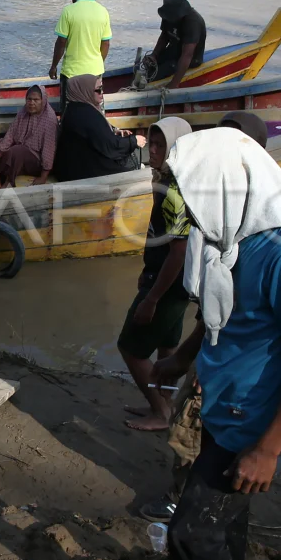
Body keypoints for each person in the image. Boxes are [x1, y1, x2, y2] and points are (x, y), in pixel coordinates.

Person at [152, 127, 281, 560]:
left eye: (191, 191)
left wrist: (268, 449)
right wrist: (182, 359)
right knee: (225, 526)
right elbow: (220, 316)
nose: (185, 204)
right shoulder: (230, 239)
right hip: (222, 406)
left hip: (251, 422)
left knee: (191, 534)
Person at [116, 117, 193, 432]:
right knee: (167, 347)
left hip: (168, 285)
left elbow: (179, 252)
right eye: (153, 143)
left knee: (131, 348)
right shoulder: (171, 181)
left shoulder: (174, 192)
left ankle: (161, 412)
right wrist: (147, 271)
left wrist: (152, 298)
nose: (154, 150)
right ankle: (165, 404)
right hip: (174, 282)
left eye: (163, 145)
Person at [52, 74, 144, 182]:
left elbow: (98, 136)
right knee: (130, 168)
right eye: (98, 90)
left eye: (102, 88)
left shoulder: (73, 109)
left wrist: (115, 131)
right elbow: (110, 145)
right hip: (83, 173)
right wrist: (134, 141)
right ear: (85, 91)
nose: (102, 93)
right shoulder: (87, 115)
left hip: (70, 168)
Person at [0, 84, 56, 189]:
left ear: (43, 101)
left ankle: (9, 182)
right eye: (29, 99)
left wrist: (43, 177)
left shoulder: (49, 120)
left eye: (36, 100)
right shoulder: (23, 112)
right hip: (20, 150)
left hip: (37, 161)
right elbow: (10, 135)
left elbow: (48, 152)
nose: (31, 103)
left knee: (17, 150)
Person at [49, 0, 111, 87]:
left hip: (72, 74)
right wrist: (97, 63)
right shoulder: (103, 12)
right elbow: (106, 44)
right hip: (95, 74)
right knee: (93, 100)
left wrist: (53, 66)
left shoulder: (68, 11)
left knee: (70, 100)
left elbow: (61, 42)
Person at [153, 0, 207, 88]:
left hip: (191, 59)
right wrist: (154, 55)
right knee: (147, 67)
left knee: (159, 73)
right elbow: (164, 37)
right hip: (173, 52)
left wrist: (174, 83)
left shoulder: (193, 22)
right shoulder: (167, 16)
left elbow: (187, 55)